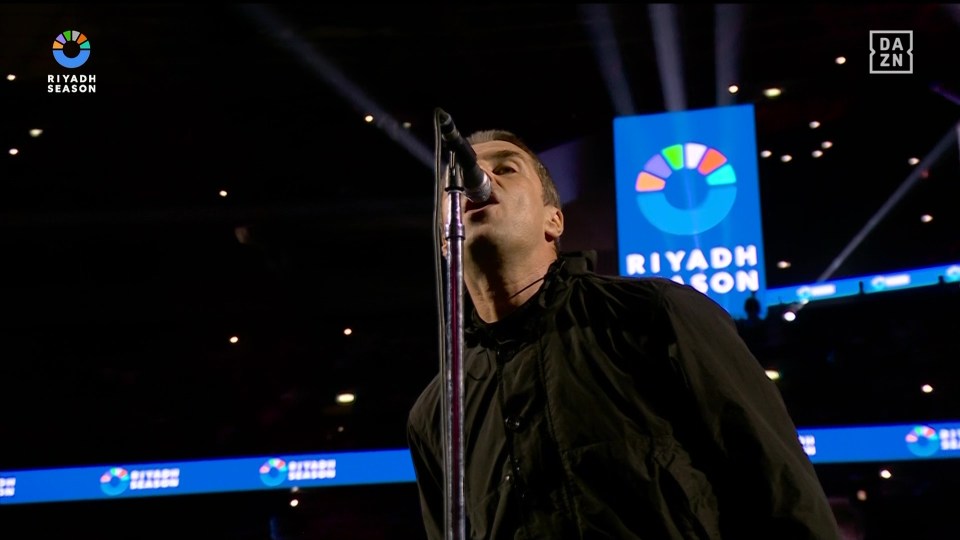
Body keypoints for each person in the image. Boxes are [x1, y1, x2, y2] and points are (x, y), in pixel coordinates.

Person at [406, 129, 842, 539]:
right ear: (445, 240)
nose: (476, 178)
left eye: (505, 168)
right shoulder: (436, 414)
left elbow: (782, 493)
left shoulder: (655, 314)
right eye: (456, 182)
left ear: (553, 221)